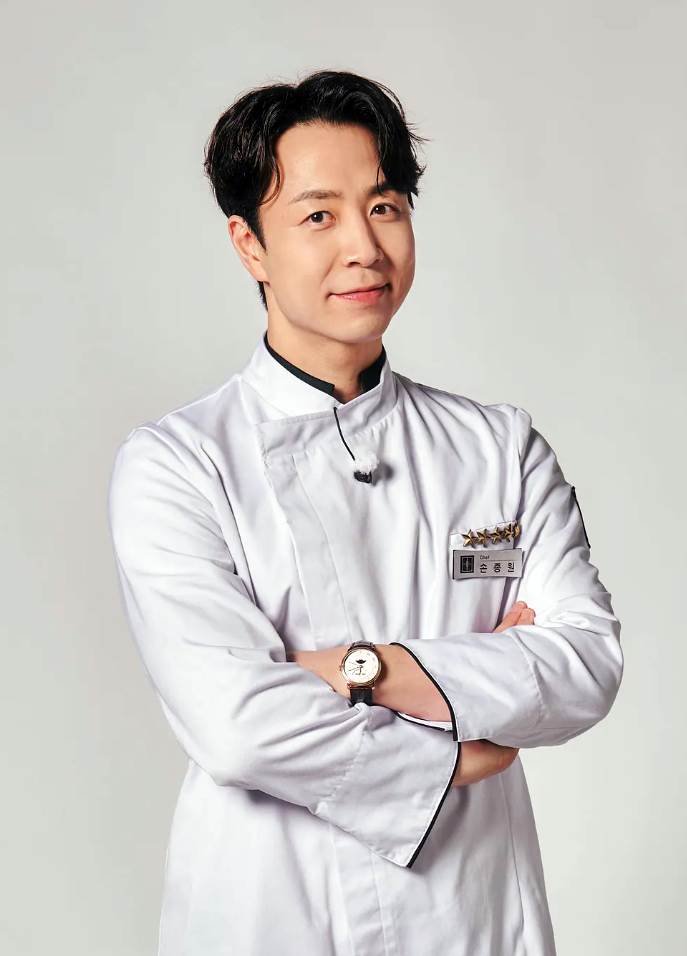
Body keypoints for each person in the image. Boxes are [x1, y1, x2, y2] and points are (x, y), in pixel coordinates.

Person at [107, 69, 623, 956]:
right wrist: (455, 744)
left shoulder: (498, 446)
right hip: (271, 909)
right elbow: (236, 726)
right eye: (318, 216)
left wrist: (358, 670)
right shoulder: (177, 464)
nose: (363, 246)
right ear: (249, 244)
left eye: (383, 207)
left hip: (472, 910)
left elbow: (584, 665)